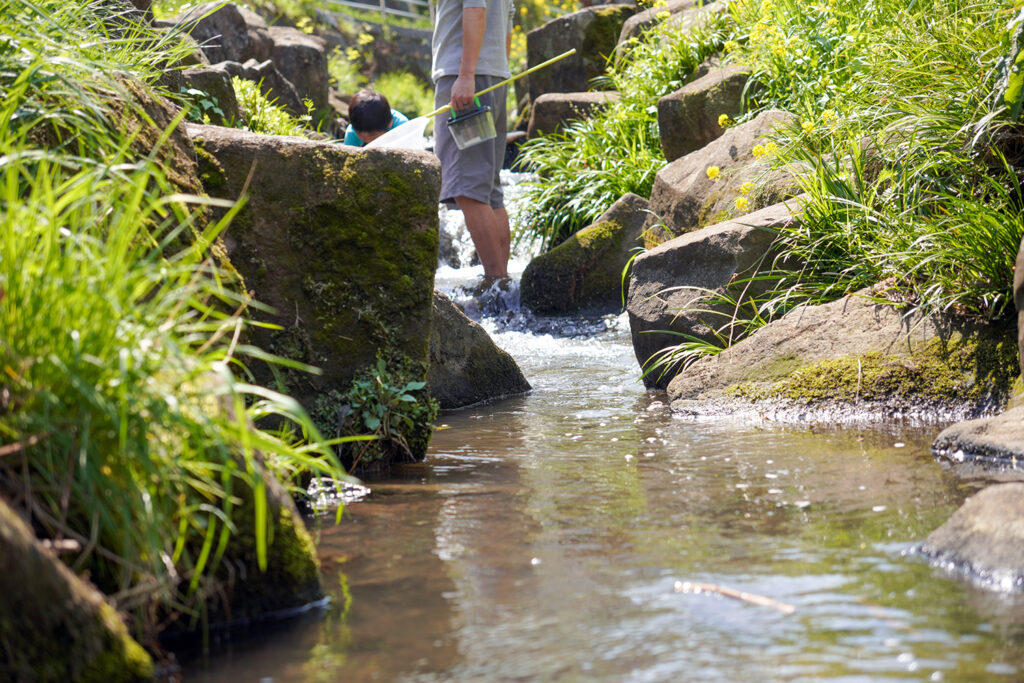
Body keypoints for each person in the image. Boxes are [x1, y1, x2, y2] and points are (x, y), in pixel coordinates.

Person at [432, 0, 514, 281]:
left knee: (468, 188)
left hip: (465, 81)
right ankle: (501, 282)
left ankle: (496, 283)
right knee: (489, 191)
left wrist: (466, 75)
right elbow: (507, 32)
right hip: (494, 79)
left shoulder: (465, 77)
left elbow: (475, 11)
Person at [343, 90, 409, 146]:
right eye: (360, 136)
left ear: (390, 123)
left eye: (373, 137)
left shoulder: (402, 127)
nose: (370, 141)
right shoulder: (352, 132)